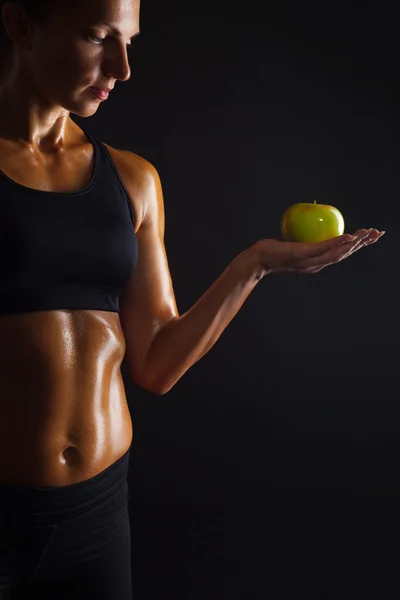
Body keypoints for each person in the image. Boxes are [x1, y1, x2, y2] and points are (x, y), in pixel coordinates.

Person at [0, 0, 384, 598]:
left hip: (98, 516)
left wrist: (251, 267)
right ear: (21, 24)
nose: (122, 67)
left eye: (129, 41)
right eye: (99, 37)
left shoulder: (131, 180)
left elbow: (155, 364)